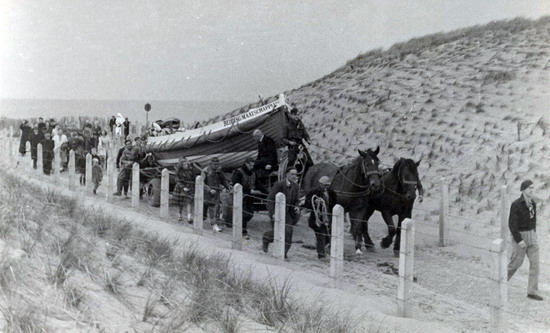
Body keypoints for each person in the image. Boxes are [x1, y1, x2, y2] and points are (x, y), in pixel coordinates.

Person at [507, 180, 542, 301]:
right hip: (520, 237)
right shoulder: (516, 204)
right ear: (523, 190)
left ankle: (532, 292)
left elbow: (534, 220)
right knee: (515, 264)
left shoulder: (533, 203)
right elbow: (512, 224)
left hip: (532, 236)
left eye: (532, 188)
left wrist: (534, 234)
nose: (531, 190)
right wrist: (519, 240)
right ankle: (500, 282)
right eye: (529, 188)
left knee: (535, 265)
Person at [262, 166, 301, 259]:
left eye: (296, 174)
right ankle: (266, 238)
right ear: (286, 174)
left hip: (289, 214)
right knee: (277, 232)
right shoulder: (279, 185)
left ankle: (284, 253)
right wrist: (273, 213)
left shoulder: (296, 186)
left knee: (288, 232)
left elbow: (296, 200)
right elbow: (270, 199)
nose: (294, 176)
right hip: (277, 213)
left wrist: (297, 206)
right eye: (292, 174)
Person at [230, 157, 267, 238]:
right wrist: (248, 190)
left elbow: (258, 184)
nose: (252, 166)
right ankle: (242, 231)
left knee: (250, 213)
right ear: (246, 164)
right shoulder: (238, 173)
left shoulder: (253, 173)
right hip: (240, 196)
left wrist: (267, 192)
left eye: (253, 165)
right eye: (250, 165)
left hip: (250, 197)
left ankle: (241, 227)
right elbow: (236, 184)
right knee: (243, 213)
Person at [305, 176, 337, 259]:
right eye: (324, 185)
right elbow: (307, 204)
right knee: (320, 236)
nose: (326, 187)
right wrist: (315, 203)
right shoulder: (313, 192)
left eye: (327, 185)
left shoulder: (332, 193)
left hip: (328, 218)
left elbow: (334, 204)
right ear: (320, 184)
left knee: (328, 235)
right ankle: (321, 255)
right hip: (317, 218)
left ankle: (327, 250)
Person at [202, 157, 230, 232]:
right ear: (211, 164)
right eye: (214, 164)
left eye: (217, 164)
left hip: (216, 192)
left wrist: (228, 186)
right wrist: (209, 189)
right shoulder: (205, 171)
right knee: (207, 208)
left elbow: (223, 180)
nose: (216, 166)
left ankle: (214, 224)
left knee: (215, 208)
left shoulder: (219, 171)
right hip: (207, 192)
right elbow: (202, 182)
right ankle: (208, 221)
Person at [173, 157, 200, 223]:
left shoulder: (190, 171)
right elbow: (177, 181)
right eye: (184, 165)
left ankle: (189, 217)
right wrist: (183, 187)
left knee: (189, 202)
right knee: (180, 203)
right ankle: (180, 215)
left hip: (189, 187)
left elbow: (193, 179)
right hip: (181, 188)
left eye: (187, 164)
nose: (186, 166)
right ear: (181, 165)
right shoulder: (178, 172)